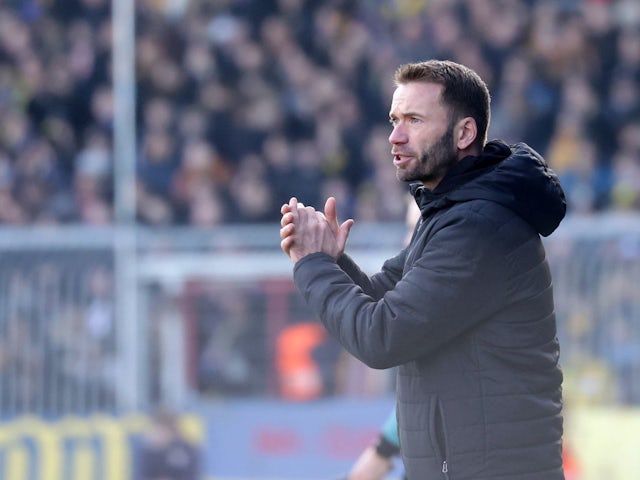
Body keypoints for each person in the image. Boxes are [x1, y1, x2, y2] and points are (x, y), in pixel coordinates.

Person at [279, 60, 566, 479]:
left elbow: (382, 335)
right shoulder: (453, 214)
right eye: (394, 120)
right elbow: (382, 298)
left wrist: (313, 264)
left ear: (464, 133)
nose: (395, 136)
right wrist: (332, 260)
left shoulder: (478, 228)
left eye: (414, 120)